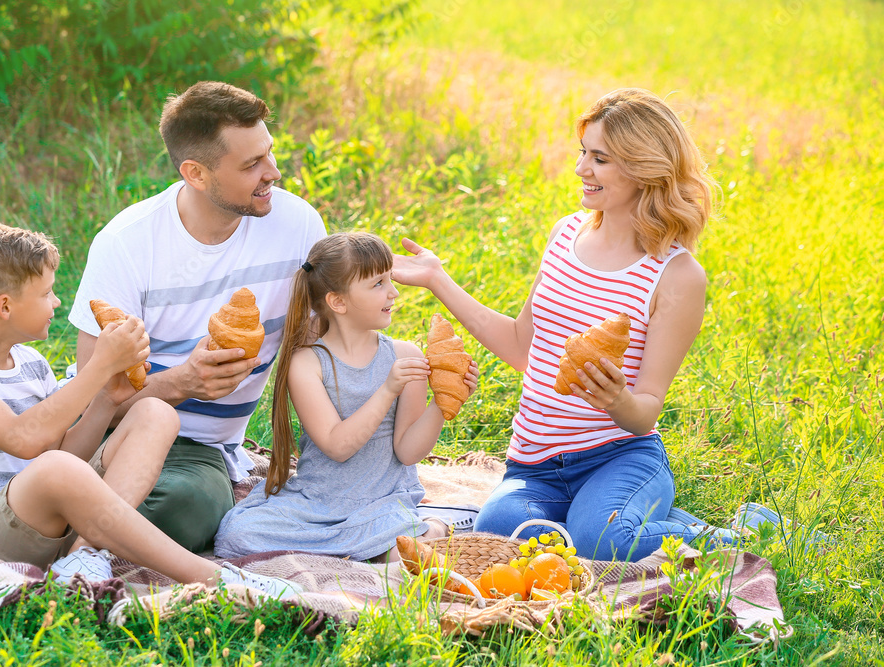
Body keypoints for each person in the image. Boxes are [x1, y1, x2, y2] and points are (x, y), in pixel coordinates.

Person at [392, 88, 741, 562]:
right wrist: (438, 279)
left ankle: (743, 533)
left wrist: (617, 400)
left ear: (642, 168)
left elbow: (646, 411)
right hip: (533, 463)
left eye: (600, 159)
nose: (581, 169)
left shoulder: (677, 276)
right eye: (583, 153)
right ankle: (631, 520)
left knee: (603, 541)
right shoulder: (565, 234)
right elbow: (521, 347)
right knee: (499, 532)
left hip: (619, 457)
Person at [69, 82, 326, 553]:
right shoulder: (127, 242)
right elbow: (92, 400)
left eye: (268, 153)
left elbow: (317, 340)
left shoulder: (298, 226)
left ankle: (58, 508)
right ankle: (68, 509)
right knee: (178, 508)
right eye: (251, 165)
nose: (273, 172)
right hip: (116, 430)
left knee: (186, 506)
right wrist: (182, 382)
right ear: (196, 173)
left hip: (199, 450)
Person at [0, 222, 220, 584]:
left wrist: (105, 399)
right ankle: (213, 577)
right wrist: (99, 367)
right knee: (54, 467)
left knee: (155, 412)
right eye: (47, 293)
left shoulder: (31, 364)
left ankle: (85, 554)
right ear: (5, 306)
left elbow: (64, 453)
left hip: (52, 526)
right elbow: (23, 440)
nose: (56, 302)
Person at [215, 232, 479, 561]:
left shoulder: (403, 355)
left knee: (405, 557)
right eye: (378, 284)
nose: (393, 292)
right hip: (317, 501)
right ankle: (385, 540)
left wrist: (444, 402)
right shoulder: (307, 363)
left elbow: (408, 451)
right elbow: (337, 447)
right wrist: (387, 391)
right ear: (338, 302)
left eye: (390, 280)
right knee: (237, 536)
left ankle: (436, 525)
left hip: (382, 503)